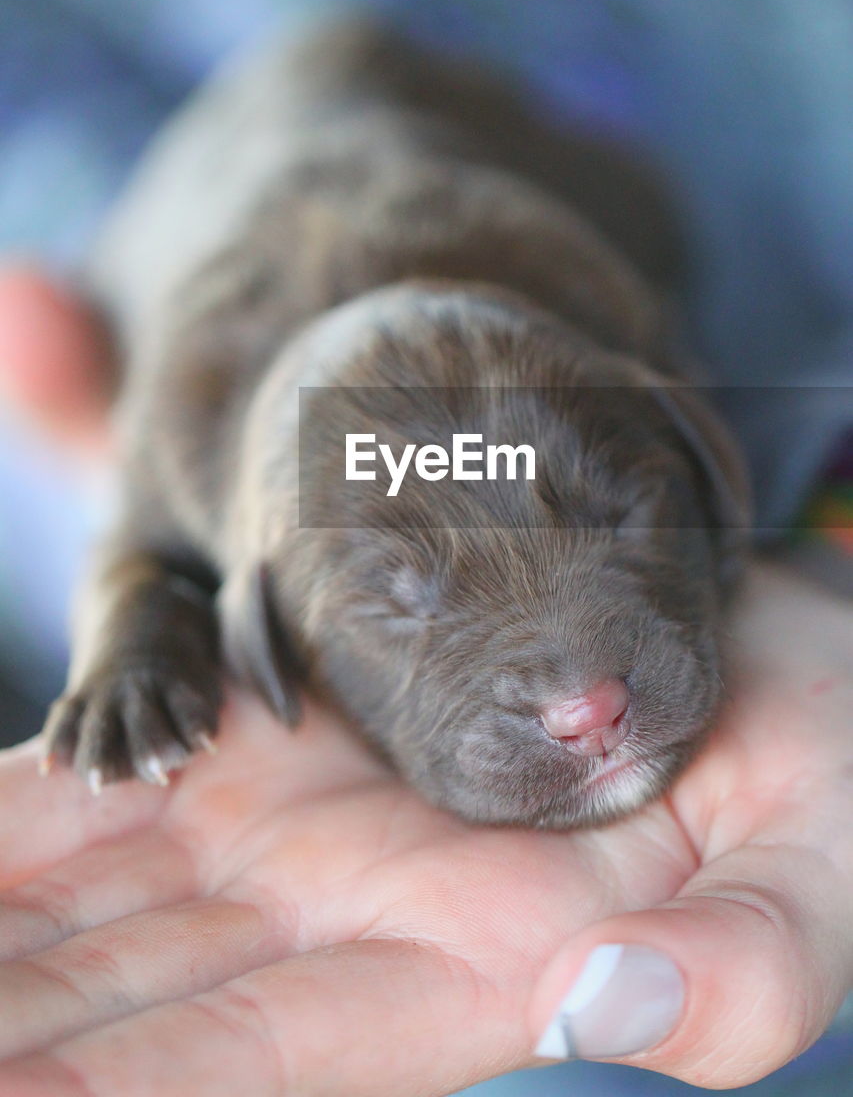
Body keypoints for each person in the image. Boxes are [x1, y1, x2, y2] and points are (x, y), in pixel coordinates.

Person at [0, 268, 850, 1095]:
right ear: (258, 633)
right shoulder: (185, 441)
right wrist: (138, 635)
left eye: (623, 515)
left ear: (696, 448)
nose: (581, 702)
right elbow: (136, 555)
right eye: (398, 606)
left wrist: (822, 550)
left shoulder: (603, 292)